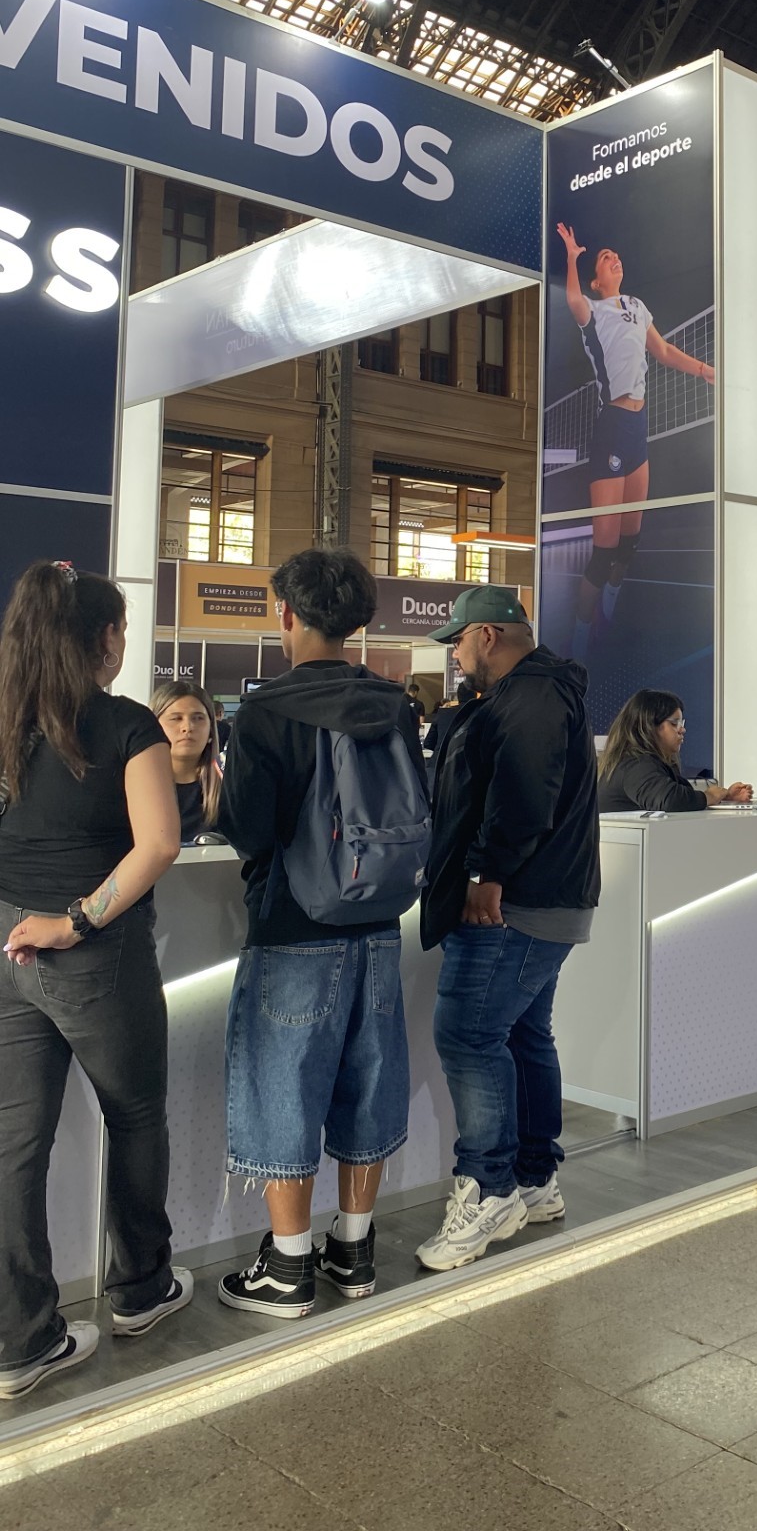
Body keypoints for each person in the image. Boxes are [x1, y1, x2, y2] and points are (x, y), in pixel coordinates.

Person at [216, 549, 426, 1317]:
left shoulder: (266, 711)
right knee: (368, 1081)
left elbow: (247, 829)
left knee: (285, 1089)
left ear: (287, 614)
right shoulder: (393, 703)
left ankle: (288, 1265)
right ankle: (354, 1250)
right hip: (380, 924)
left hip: (293, 926)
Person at [0, 562, 185, 1398]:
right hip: (94, 957)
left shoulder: (6, 722)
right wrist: (75, 921)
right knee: (136, 1117)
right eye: (120, 631)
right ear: (102, 638)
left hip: (9, 949)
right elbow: (160, 844)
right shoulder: (124, 725)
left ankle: (21, 1339)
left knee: (14, 1145)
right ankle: (141, 1290)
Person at [420, 588, 600, 1269]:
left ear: (488, 635)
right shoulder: (540, 691)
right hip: (546, 898)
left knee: (468, 1032)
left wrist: (485, 873)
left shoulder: (530, 697)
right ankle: (533, 1177)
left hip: (515, 903)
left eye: (458, 641)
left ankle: (489, 1187)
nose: (454, 655)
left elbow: (523, 798)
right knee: (525, 1034)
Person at [557, 220, 715, 657]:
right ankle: (581, 632)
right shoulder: (592, 310)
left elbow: (662, 351)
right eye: (605, 257)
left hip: (638, 428)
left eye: (616, 255)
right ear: (596, 279)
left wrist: (704, 370)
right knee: (604, 550)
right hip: (611, 427)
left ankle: (610, 599)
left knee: (630, 542)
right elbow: (571, 299)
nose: (614, 259)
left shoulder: (637, 307)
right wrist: (571, 257)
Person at [597, 691, 752, 811]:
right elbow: (669, 799)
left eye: (681, 723)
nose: (682, 729)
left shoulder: (650, 764)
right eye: (674, 723)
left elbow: (680, 795)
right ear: (649, 726)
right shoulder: (634, 764)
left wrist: (723, 796)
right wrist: (708, 796)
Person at [150, 679, 222, 841]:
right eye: (176, 718)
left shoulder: (231, 786)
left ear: (211, 730)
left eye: (198, 718)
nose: (188, 727)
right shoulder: (131, 786)